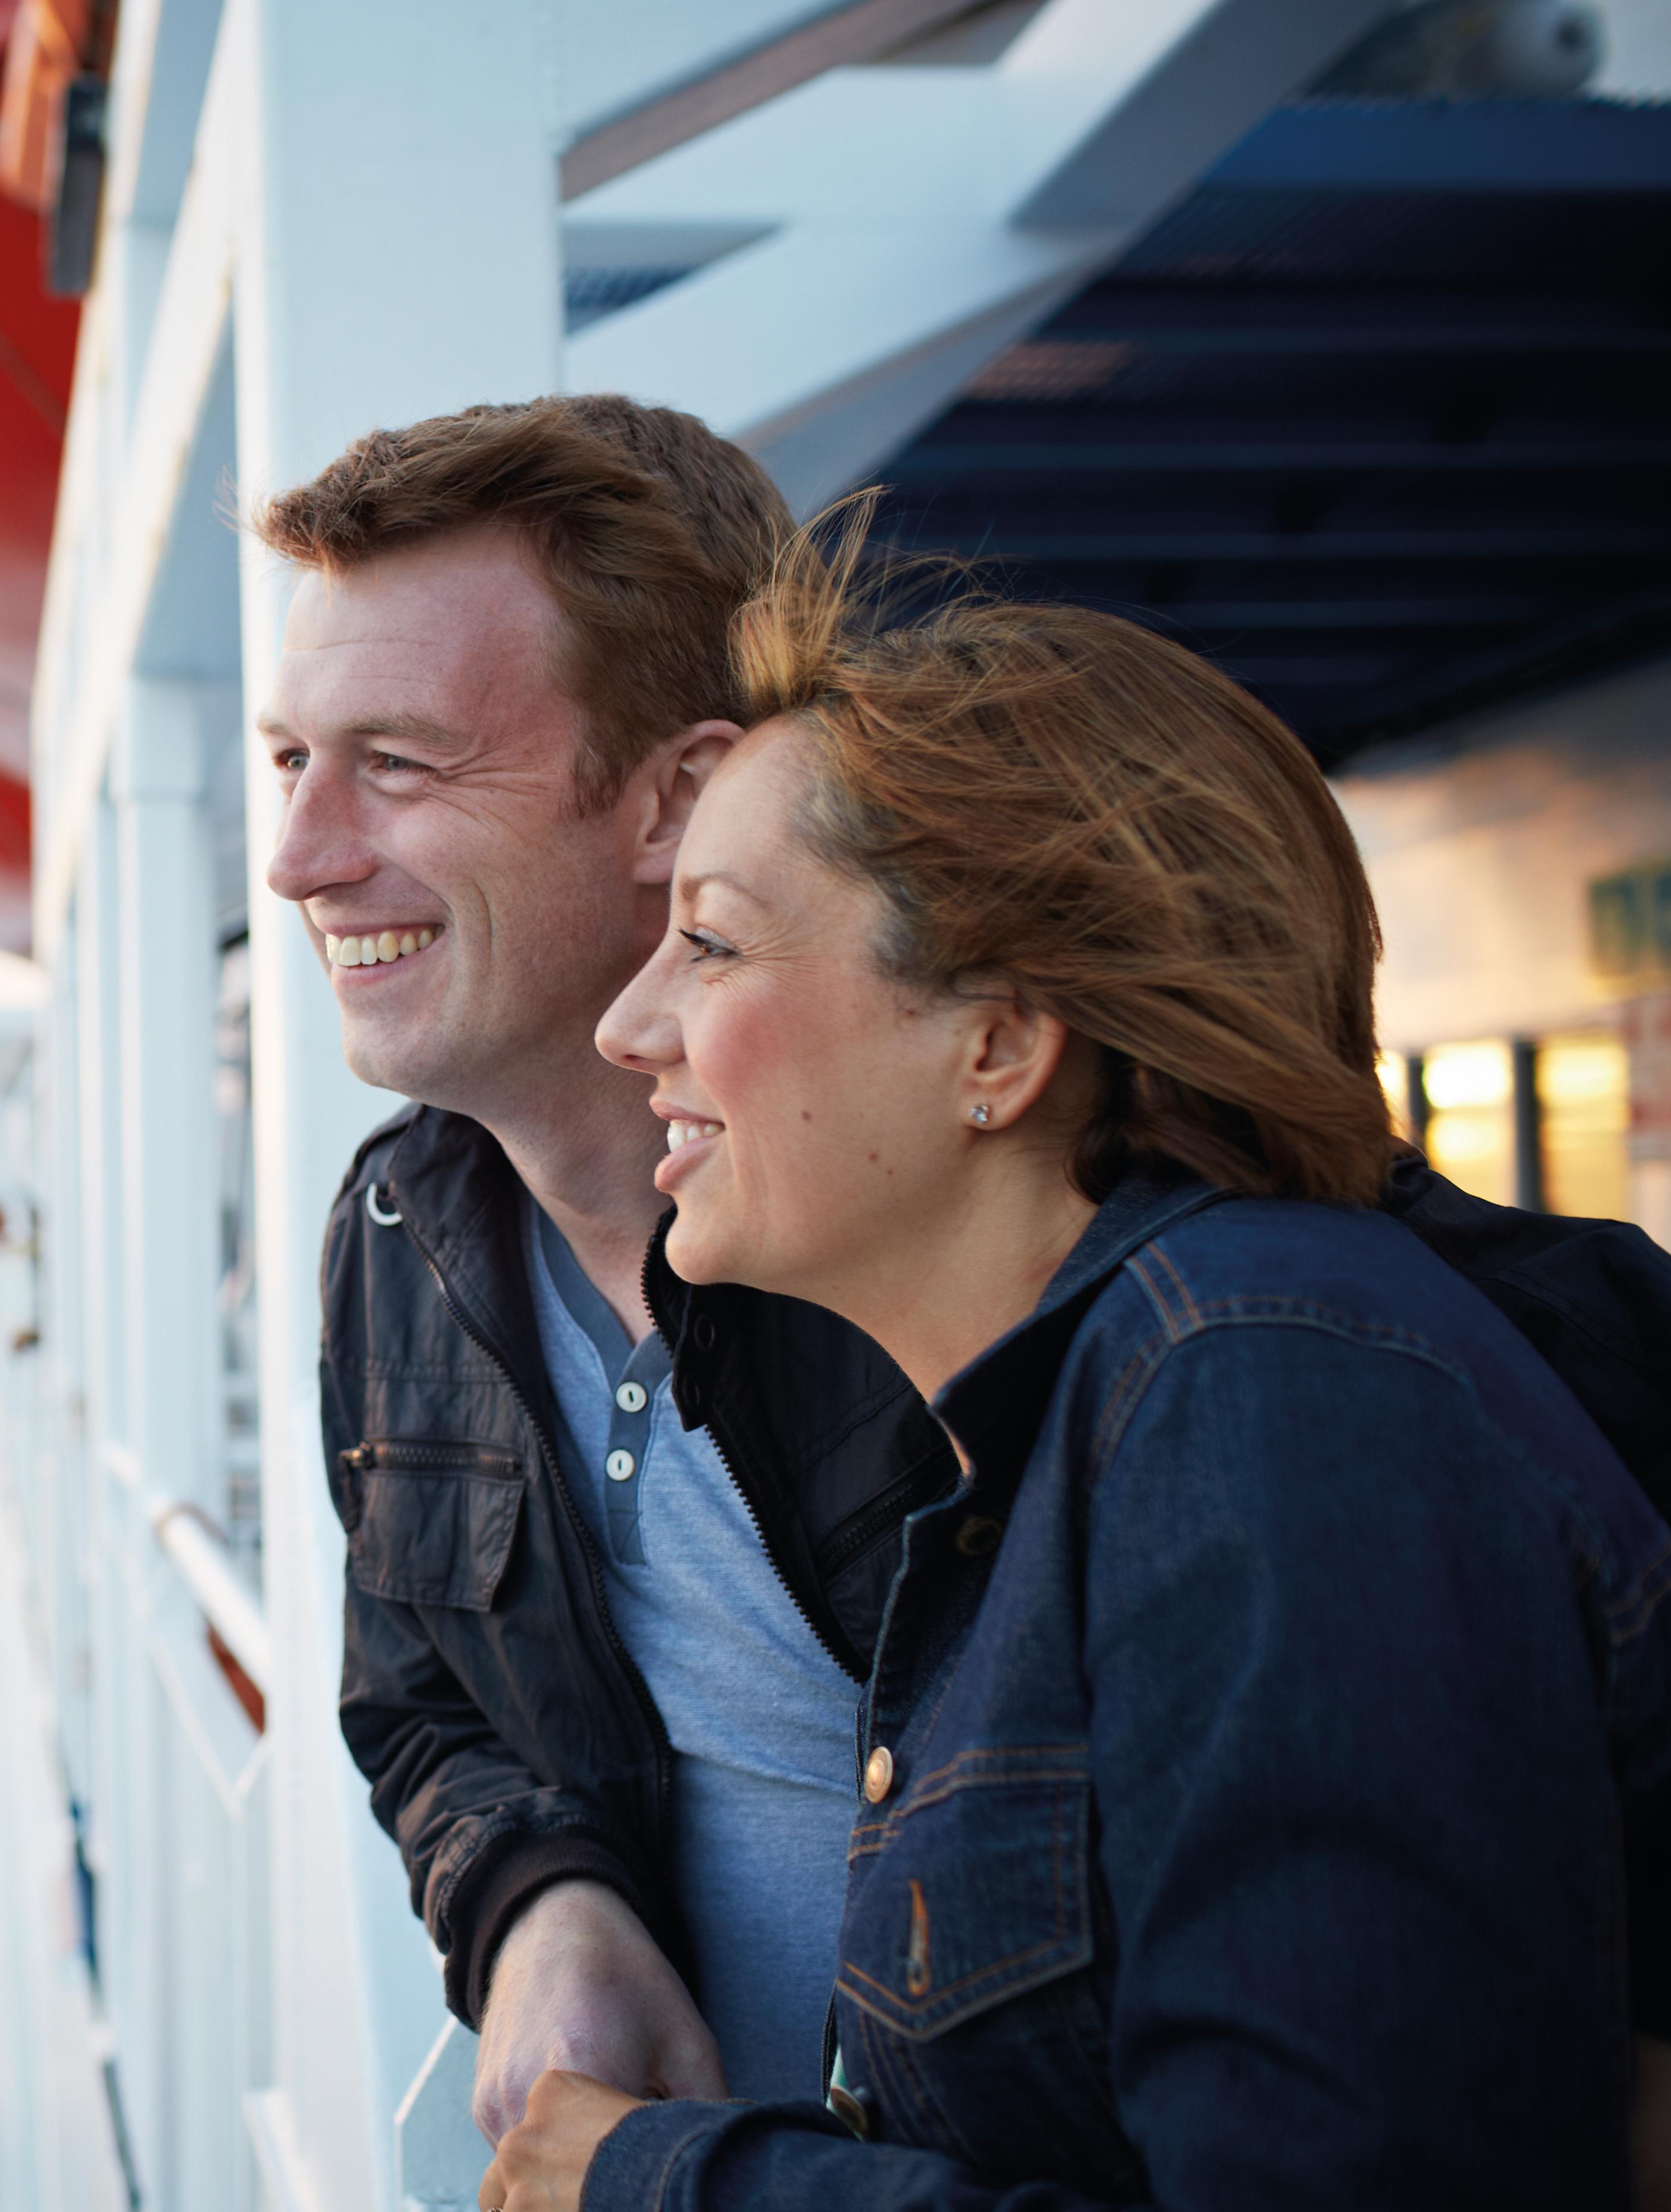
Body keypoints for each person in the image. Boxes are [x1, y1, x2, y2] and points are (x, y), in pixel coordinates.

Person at [256, 399, 1671, 2141]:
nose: (298, 854)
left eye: (394, 760)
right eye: (283, 762)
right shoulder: (404, 1238)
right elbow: (427, 1701)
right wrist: (541, 1897)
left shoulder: (1200, 1347)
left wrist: (667, 2187)